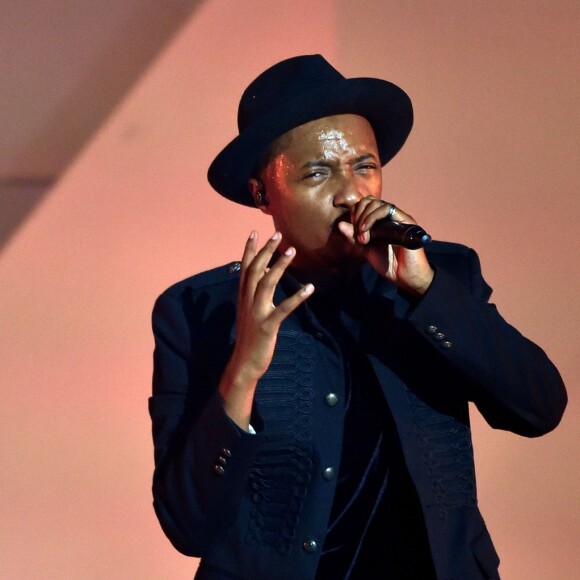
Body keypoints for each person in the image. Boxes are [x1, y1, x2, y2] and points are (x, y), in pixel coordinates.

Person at [149, 55, 567, 580]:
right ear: (262, 194)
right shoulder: (197, 311)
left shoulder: (443, 275)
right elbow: (187, 525)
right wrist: (243, 371)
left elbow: (540, 409)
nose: (351, 193)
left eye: (364, 166)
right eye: (318, 172)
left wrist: (426, 290)